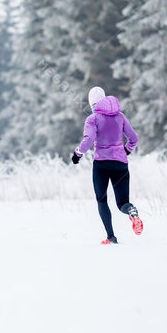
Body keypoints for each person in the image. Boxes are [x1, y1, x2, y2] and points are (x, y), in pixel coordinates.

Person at [70, 86, 143, 245]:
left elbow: (88, 140)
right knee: (123, 202)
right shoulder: (120, 116)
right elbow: (134, 138)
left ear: (91, 104)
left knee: (102, 200)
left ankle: (111, 237)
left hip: (102, 165)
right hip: (120, 164)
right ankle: (132, 211)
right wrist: (126, 151)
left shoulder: (93, 119)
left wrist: (77, 154)